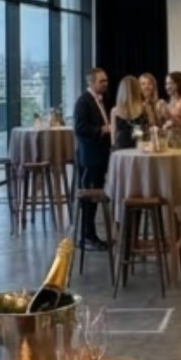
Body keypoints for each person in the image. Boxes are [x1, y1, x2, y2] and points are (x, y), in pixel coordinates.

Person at [72, 68, 112, 249]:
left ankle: (91, 234)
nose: (105, 84)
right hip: (89, 158)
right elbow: (80, 129)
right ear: (91, 83)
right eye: (101, 81)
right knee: (89, 197)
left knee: (95, 196)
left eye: (105, 80)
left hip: (99, 156)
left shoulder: (100, 101)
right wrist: (102, 130)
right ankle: (87, 235)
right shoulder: (83, 102)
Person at [111, 75, 147, 150]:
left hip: (121, 146)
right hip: (139, 144)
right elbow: (149, 127)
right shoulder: (144, 108)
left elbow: (113, 133)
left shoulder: (115, 111)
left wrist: (113, 148)